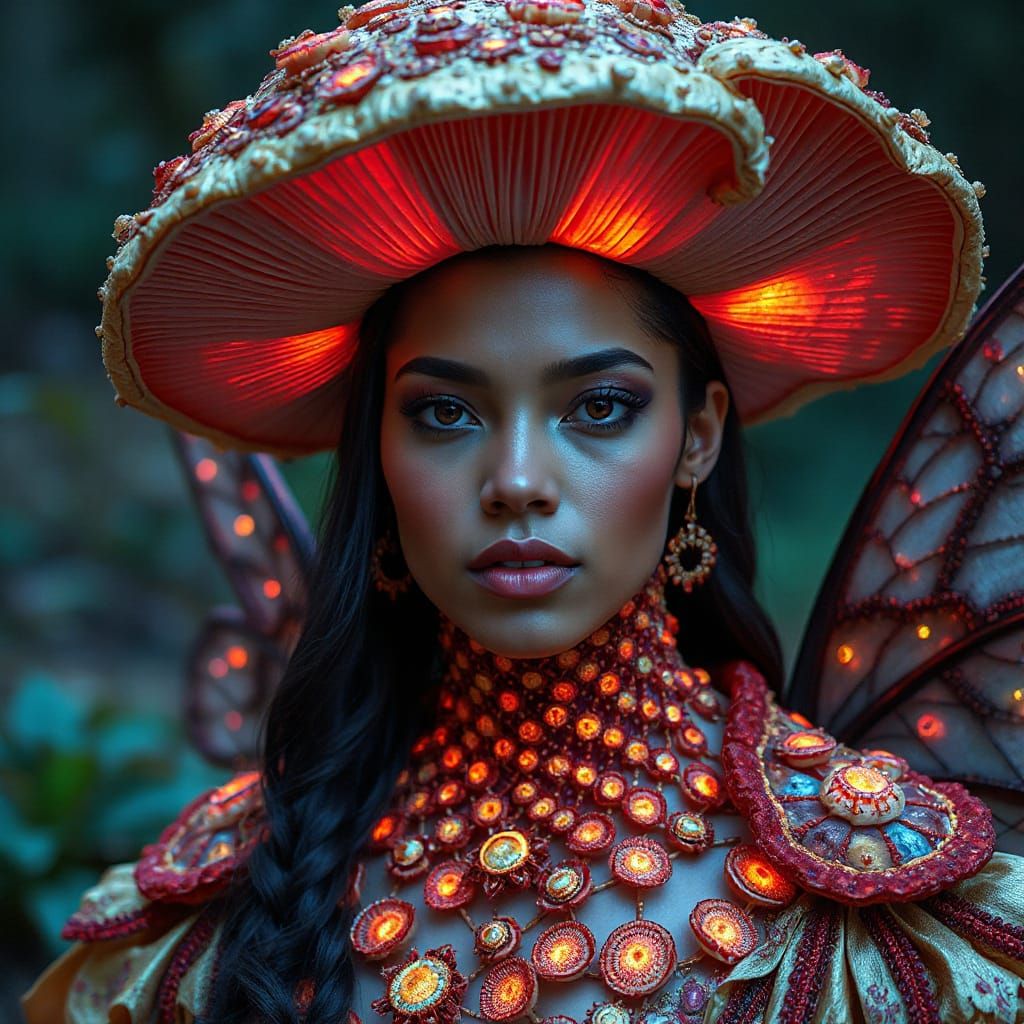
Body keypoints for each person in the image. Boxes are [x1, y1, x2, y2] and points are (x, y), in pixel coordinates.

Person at [20, 1, 1024, 1022]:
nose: (515, 479)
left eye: (597, 408)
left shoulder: (884, 911)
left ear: (697, 434)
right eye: (445, 413)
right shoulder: (214, 909)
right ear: (378, 448)